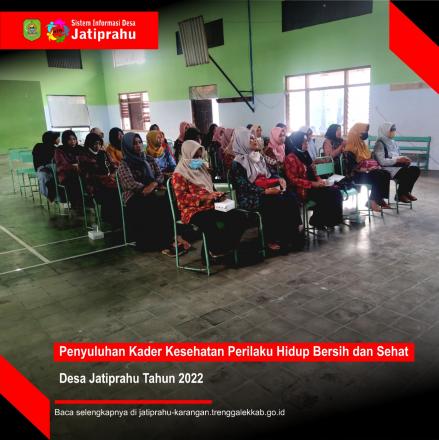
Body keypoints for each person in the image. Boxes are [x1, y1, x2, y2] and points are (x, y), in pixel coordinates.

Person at [172, 140, 248, 260]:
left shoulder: (202, 169)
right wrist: (205, 197)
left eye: (199, 156)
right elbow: (182, 199)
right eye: (195, 157)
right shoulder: (179, 174)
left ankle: (219, 250)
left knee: (240, 217)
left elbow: (210, 188)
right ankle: (215, 251)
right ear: (187, 155)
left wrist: (217, 195)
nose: (198, 160)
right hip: (193, 210)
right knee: (210, 223)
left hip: (211, 205)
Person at [230, 127, 303, 252]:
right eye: (250, 139)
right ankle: (271, 238)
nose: (254, 140)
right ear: (242, 141)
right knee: (273, 201)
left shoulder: (258, 157)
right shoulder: (237, 163)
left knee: (289, 196)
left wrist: (279, 179)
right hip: (250, 196)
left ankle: (292, 234)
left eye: (254, 138)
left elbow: (270, 173)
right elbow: (243, 185)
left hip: (265, 189)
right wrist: (264, 191)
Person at [118, 132, 188, 254]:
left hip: (151, 191)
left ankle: (173, 236)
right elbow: (130, 183)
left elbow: (159, 175)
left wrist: (153, 184)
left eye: (140, 142)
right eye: (134, 143)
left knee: (166, 201)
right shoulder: (124, 164)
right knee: (151, 204)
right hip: (134, 196)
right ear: (128, 146)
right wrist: (144, 188)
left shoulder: (148, 159)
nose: (138, 145)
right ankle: (161, 242)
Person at [284, 131, 343, 228]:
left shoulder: (305, 154)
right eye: (304, 142)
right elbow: (293, 180)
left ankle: (329, 221)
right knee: (327, 194)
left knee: (335, 191)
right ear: (298, 142)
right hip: (302, 188)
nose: (307, 144)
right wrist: (313, 184)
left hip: (313, 184)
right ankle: (317, 220)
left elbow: (313, 169)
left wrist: (319, 180)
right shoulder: (290, 158)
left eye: (307, 141)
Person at [344, 123, 391, 212]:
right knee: (378, 175)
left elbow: (368, 160)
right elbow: (352, 168)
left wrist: (374, 167)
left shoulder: (362, 145)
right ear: (356, 132)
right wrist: (368, 169)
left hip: (366, 172)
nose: (365, 133)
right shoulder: (350, 149)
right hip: (355, 176)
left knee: (386, 174)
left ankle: (378, 199)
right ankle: (373, 201)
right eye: (363, 131)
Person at [78, 133, 121, 228]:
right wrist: (106, 177)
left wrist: (113, 174)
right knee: (112, 192)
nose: (97, 146)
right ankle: (111, 218)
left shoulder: (103, 153)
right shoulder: (84, 156)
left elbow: (113, 166)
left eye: (99, 144)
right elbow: (87, 176)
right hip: (94, 185)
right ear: (89, 144)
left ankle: (117, 217)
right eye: (95, 144)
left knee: (120, 189)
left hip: (109, 181)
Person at [374, 122, 420, 203]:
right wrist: (397, 160)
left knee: (415, 170)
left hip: (397, 166)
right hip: (387, 168)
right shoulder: (379, 144)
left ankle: (405, 192)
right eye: (392, 130)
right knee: (406, 172)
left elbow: (398, 155)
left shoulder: (393, 142)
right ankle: (401, 194)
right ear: (385, 130)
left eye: (394, 129)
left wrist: (404, 160)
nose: (394, 131)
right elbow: (381, 161)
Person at [54, 130, 82, 209]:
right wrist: (73, 166)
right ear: (65, 140)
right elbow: (62, 165)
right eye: (69, 139)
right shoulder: (60, 150)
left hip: (79, 172)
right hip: (65, 175)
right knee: (75, 181)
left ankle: (86, 202)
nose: (72, 141)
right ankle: (76, 204)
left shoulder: (79, 148)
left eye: (74, 139)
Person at [32, 131, 60, 201]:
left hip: (54, 169)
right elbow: (37, 162)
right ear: (52, 139)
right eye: (57, 138)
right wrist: (44, 167)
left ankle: (58, 195)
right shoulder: (38, 147)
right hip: (42, 168)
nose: (59, 139)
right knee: (44, 176)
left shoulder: (56, 148)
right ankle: (50, 195)